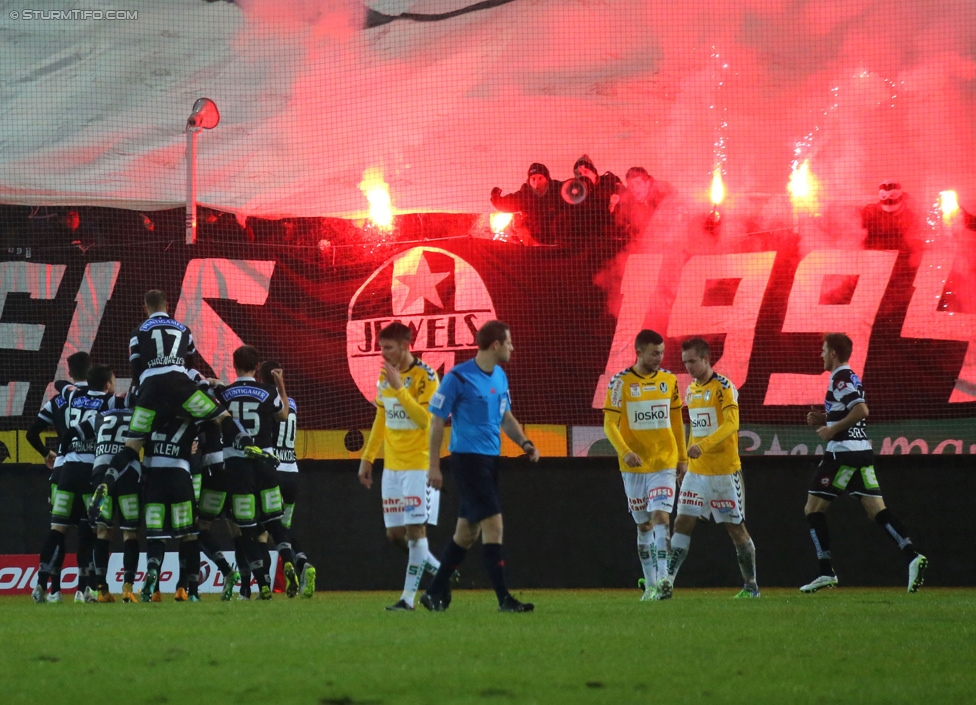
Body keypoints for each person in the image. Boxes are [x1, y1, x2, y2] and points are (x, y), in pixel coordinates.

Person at [91, 290, 266, 521]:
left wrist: (143, 392)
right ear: (168, 305)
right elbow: (189, 363)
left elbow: (136, 369)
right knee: (221, 417)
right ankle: (246, 443)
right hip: (181, 386)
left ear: (145, 308)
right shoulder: (183, 329)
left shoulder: (137, 332)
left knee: (131, 446)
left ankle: (105, 482)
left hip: (151, 391)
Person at [419, 320, 540, 613]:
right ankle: (504, 599)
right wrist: (433, 467)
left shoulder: (499, 376)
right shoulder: (458, 377)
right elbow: (437, 421)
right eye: (509, 342)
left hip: (489, 460)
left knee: (466, 533)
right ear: (495, 344)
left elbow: (505, 416)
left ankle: (433, 592)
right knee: (494, 525)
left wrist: (524, 443)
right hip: (467, 460)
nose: (512, 347)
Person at [801, 333, 928, 594]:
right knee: (877, 511)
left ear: (834, 353)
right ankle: (912, 555)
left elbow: (861, 410)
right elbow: (851, 410)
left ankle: (826, 572)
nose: (821, 354)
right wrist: (825, 419)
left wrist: (832, 429)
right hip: (861, 453)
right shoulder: (850, 378)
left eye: (824, 350)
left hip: (842, 454)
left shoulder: (840, 377)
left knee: (813, 510)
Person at [663, 337, 759, 599]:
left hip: (724, 472)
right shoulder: (691, 390)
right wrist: (684, 462)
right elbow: (693, 428)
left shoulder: (724, 387)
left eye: (693, 361)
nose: (689, 367)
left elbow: (732, 424)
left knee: (734, 527)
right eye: (685, 363)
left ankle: (751, 586)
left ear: (706, 359)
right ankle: (667, 583)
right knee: (682, 522)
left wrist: (703, 445)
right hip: (697, 472)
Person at [358, 323, 444, 610]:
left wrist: (400, 389)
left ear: (406, 345)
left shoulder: (426, 376)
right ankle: (440, 572)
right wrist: (367, 458)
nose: (383, 354)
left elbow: (425, 420)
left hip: (417, 466)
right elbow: (381, 418)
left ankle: (407, 599)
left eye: (388, 347)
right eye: (381, 347)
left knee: (416, 530)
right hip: (392, 468)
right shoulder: (385, 376)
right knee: (395, 535)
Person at [603, 330, 687, 601]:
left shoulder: (669, 380)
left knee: (661, 516)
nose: (659, 358)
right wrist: (625, 452)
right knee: (643, 525)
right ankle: (650, 586)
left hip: (664, 461)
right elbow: (609, 424)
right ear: (638, 352)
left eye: (661, 353)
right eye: (654, 353)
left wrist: (682, 459)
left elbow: (676, 422)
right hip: (634, 467)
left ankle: (664, 579)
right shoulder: (620, 383)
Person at [217, 345, 295, 600]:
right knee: (274, 522)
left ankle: (261, 583)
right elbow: (283, 415)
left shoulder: (226, 393)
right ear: (256, 365)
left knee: (246, 529)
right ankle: (288, 559)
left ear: (234, 364)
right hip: (265, 463)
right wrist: (280, 384)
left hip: (237, 466)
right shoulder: (267, 391)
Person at [259, 360, 316, 598]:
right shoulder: (292, 403)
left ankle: (262, 582)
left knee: (264, 529)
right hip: (293, 473)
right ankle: (303, 565)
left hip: (273, 471)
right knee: (285, 527)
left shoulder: (265, 401)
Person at [557, 154, 623, 252]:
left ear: (595, 173)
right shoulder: (574, 191)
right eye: (579, 173)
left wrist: (612, 206)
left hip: (607, 242)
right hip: (583, 243)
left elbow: (620, 219)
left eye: (585, 171)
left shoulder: (609, 185)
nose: (583, 175)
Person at [489, 163, 562, 245]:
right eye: (533, 179)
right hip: (535, 237)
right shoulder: (525, 195)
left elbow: (575, 190)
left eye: (540, 178)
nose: (536, 182)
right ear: (529, 180)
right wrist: (495, 197)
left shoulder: (558, 189)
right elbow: (507, 203)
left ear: (547, 179)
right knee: (519, 224)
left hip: (557, 237)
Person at [611, 166, 673, 240]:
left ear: (647, 184)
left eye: (638, 183)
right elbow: (619, 224)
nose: (634, 188)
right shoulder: (630, 202)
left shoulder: (661, 198)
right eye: (631, 185)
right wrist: (612, 204)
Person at [861, 180, 920, 252]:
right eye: (883, 196)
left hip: (901, 256)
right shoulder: (869, 213)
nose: (888, 199)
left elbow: (914, 243)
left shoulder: (911, 217)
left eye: (893, 195)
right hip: (873, 255)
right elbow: (858, 237)